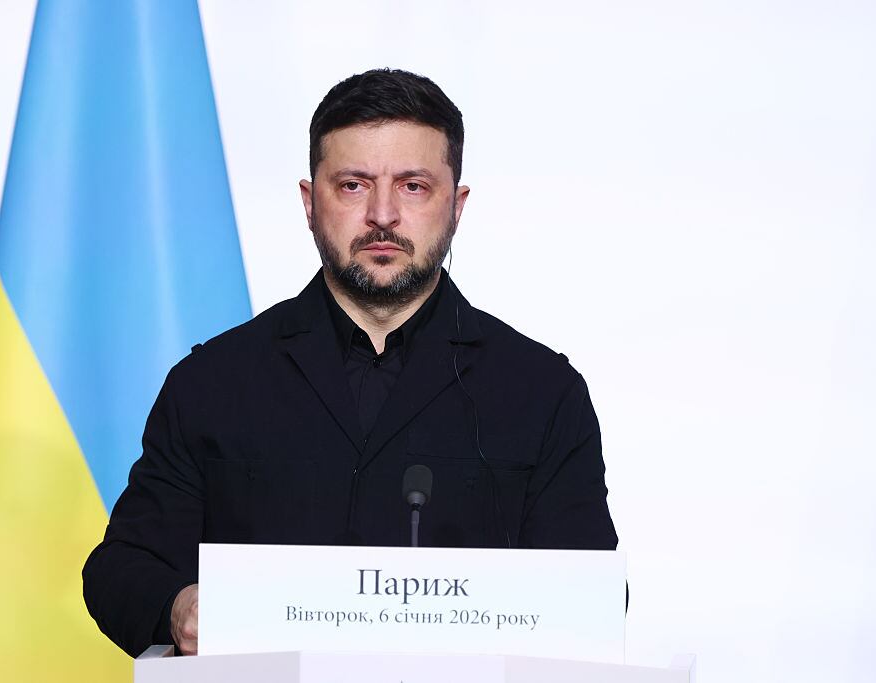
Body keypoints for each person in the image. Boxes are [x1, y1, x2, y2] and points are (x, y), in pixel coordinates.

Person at [82, 68, 618, 658]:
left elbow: (590, 599)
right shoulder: (211, 383)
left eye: (413, 186)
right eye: (354, 185)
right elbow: (122, 568)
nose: (383, 214)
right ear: (310, 203)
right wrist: (175, 607)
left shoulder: (543, 394)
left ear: (457, 206)